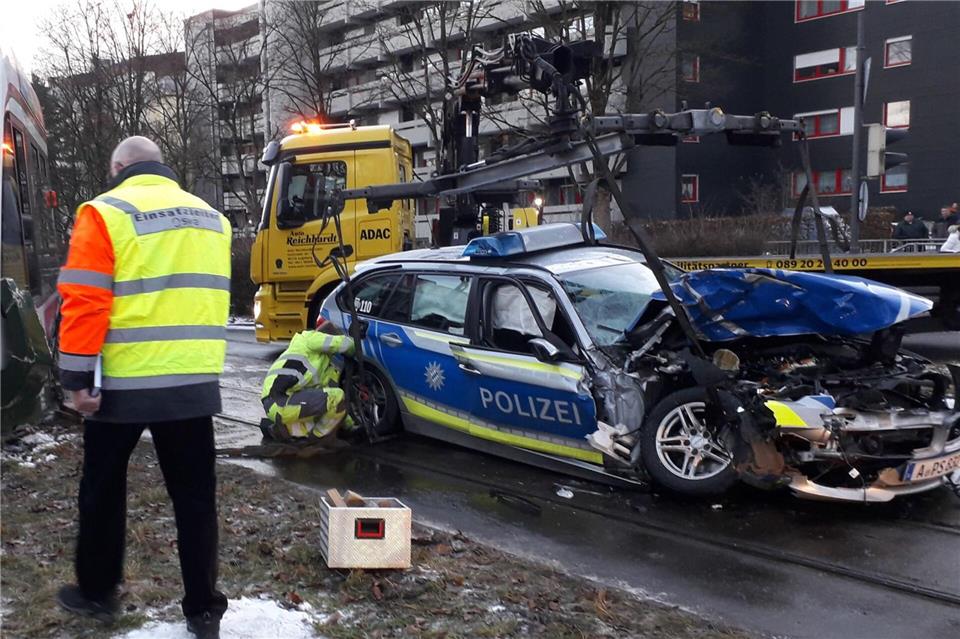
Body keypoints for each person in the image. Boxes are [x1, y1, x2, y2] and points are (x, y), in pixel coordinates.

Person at [56, 136, 230, 638]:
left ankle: (96, 593)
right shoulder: (212, 218)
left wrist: (77, 380)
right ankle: (203, 610)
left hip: (122, 386)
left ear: (118, 166)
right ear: (161, 165)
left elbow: (85, 302)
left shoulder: (104, 212)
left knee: (103, 491)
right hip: (192, 385)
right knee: (196, 499)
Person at [260, 318, 355, 443]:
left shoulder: (321, 364)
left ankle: (285, 430)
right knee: (335, 396)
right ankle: (319, 439)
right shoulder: (308, 338)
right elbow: (345, 344)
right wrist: (356, 344)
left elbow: (335, 404)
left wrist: (349, 426)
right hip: (279, 402)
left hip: (280, 405)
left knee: (324, 414)